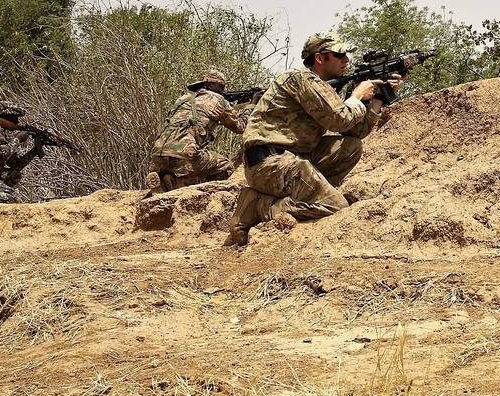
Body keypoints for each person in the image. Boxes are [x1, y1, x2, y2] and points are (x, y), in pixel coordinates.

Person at [228, 32, 400, 245]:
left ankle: (314, 196)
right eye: (340, 54)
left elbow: (356, 132)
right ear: (320, 58)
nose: (346, 60)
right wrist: (355, 97)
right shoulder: (300, 78)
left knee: (351, 147)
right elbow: (339, 120)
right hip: (270, 163)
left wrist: (378, 99)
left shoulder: (322, 86)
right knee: (337, 207)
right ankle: (260, 206)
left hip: (294, 160)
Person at [146, 69, 253, 195]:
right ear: (210, 85)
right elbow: (241, 127)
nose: (224, 91)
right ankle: (179, 182)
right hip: (185, 155)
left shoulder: (182, 99)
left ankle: (165, 178)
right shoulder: (218, 100)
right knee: (226, 167)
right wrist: (252, 106)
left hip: (157, 155)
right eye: (221, 86)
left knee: (180, 162)